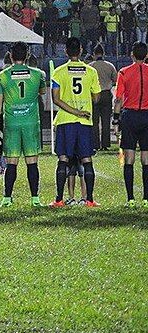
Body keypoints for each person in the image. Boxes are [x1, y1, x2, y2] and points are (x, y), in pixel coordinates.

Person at [0, 42, 47, 207]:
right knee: (32, 162)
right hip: (30, 123)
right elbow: (42, 92)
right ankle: (35, 198)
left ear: (11, 56)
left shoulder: (2, 76)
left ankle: (7, 198)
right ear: (27, 56)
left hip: (12, 123)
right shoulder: (38, 74)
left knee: (11, 161)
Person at [50, 37, 101, 208]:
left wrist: (73, 110)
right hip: (85, 122)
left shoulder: (59, 72)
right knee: (86, 159)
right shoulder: (91, 71)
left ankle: (59, 199)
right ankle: (90, 200)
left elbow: (56, 99)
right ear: (80, 51)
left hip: (65, 121)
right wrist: (80, 109)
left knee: (63, 159)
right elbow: (96, 97)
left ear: (66, 51)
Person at [113, 41, 148, 207]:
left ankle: (131, 198)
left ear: (132, 55)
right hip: (146, 116)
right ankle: (146, 198)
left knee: (129, 157)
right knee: (146, 158)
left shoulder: (124, 72)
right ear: (146, 55)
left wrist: (115, 120)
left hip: (130, 116)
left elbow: (118, 98)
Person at [90, 45, 117, 151]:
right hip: (106, 94)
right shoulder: (110, 66)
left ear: (94, 54)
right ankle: (105, 144)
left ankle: (95, 144)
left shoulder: (91, 66)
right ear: (103, 54)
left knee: (94, 121)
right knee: (106, 121)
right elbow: (115, 79)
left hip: (94, 95)